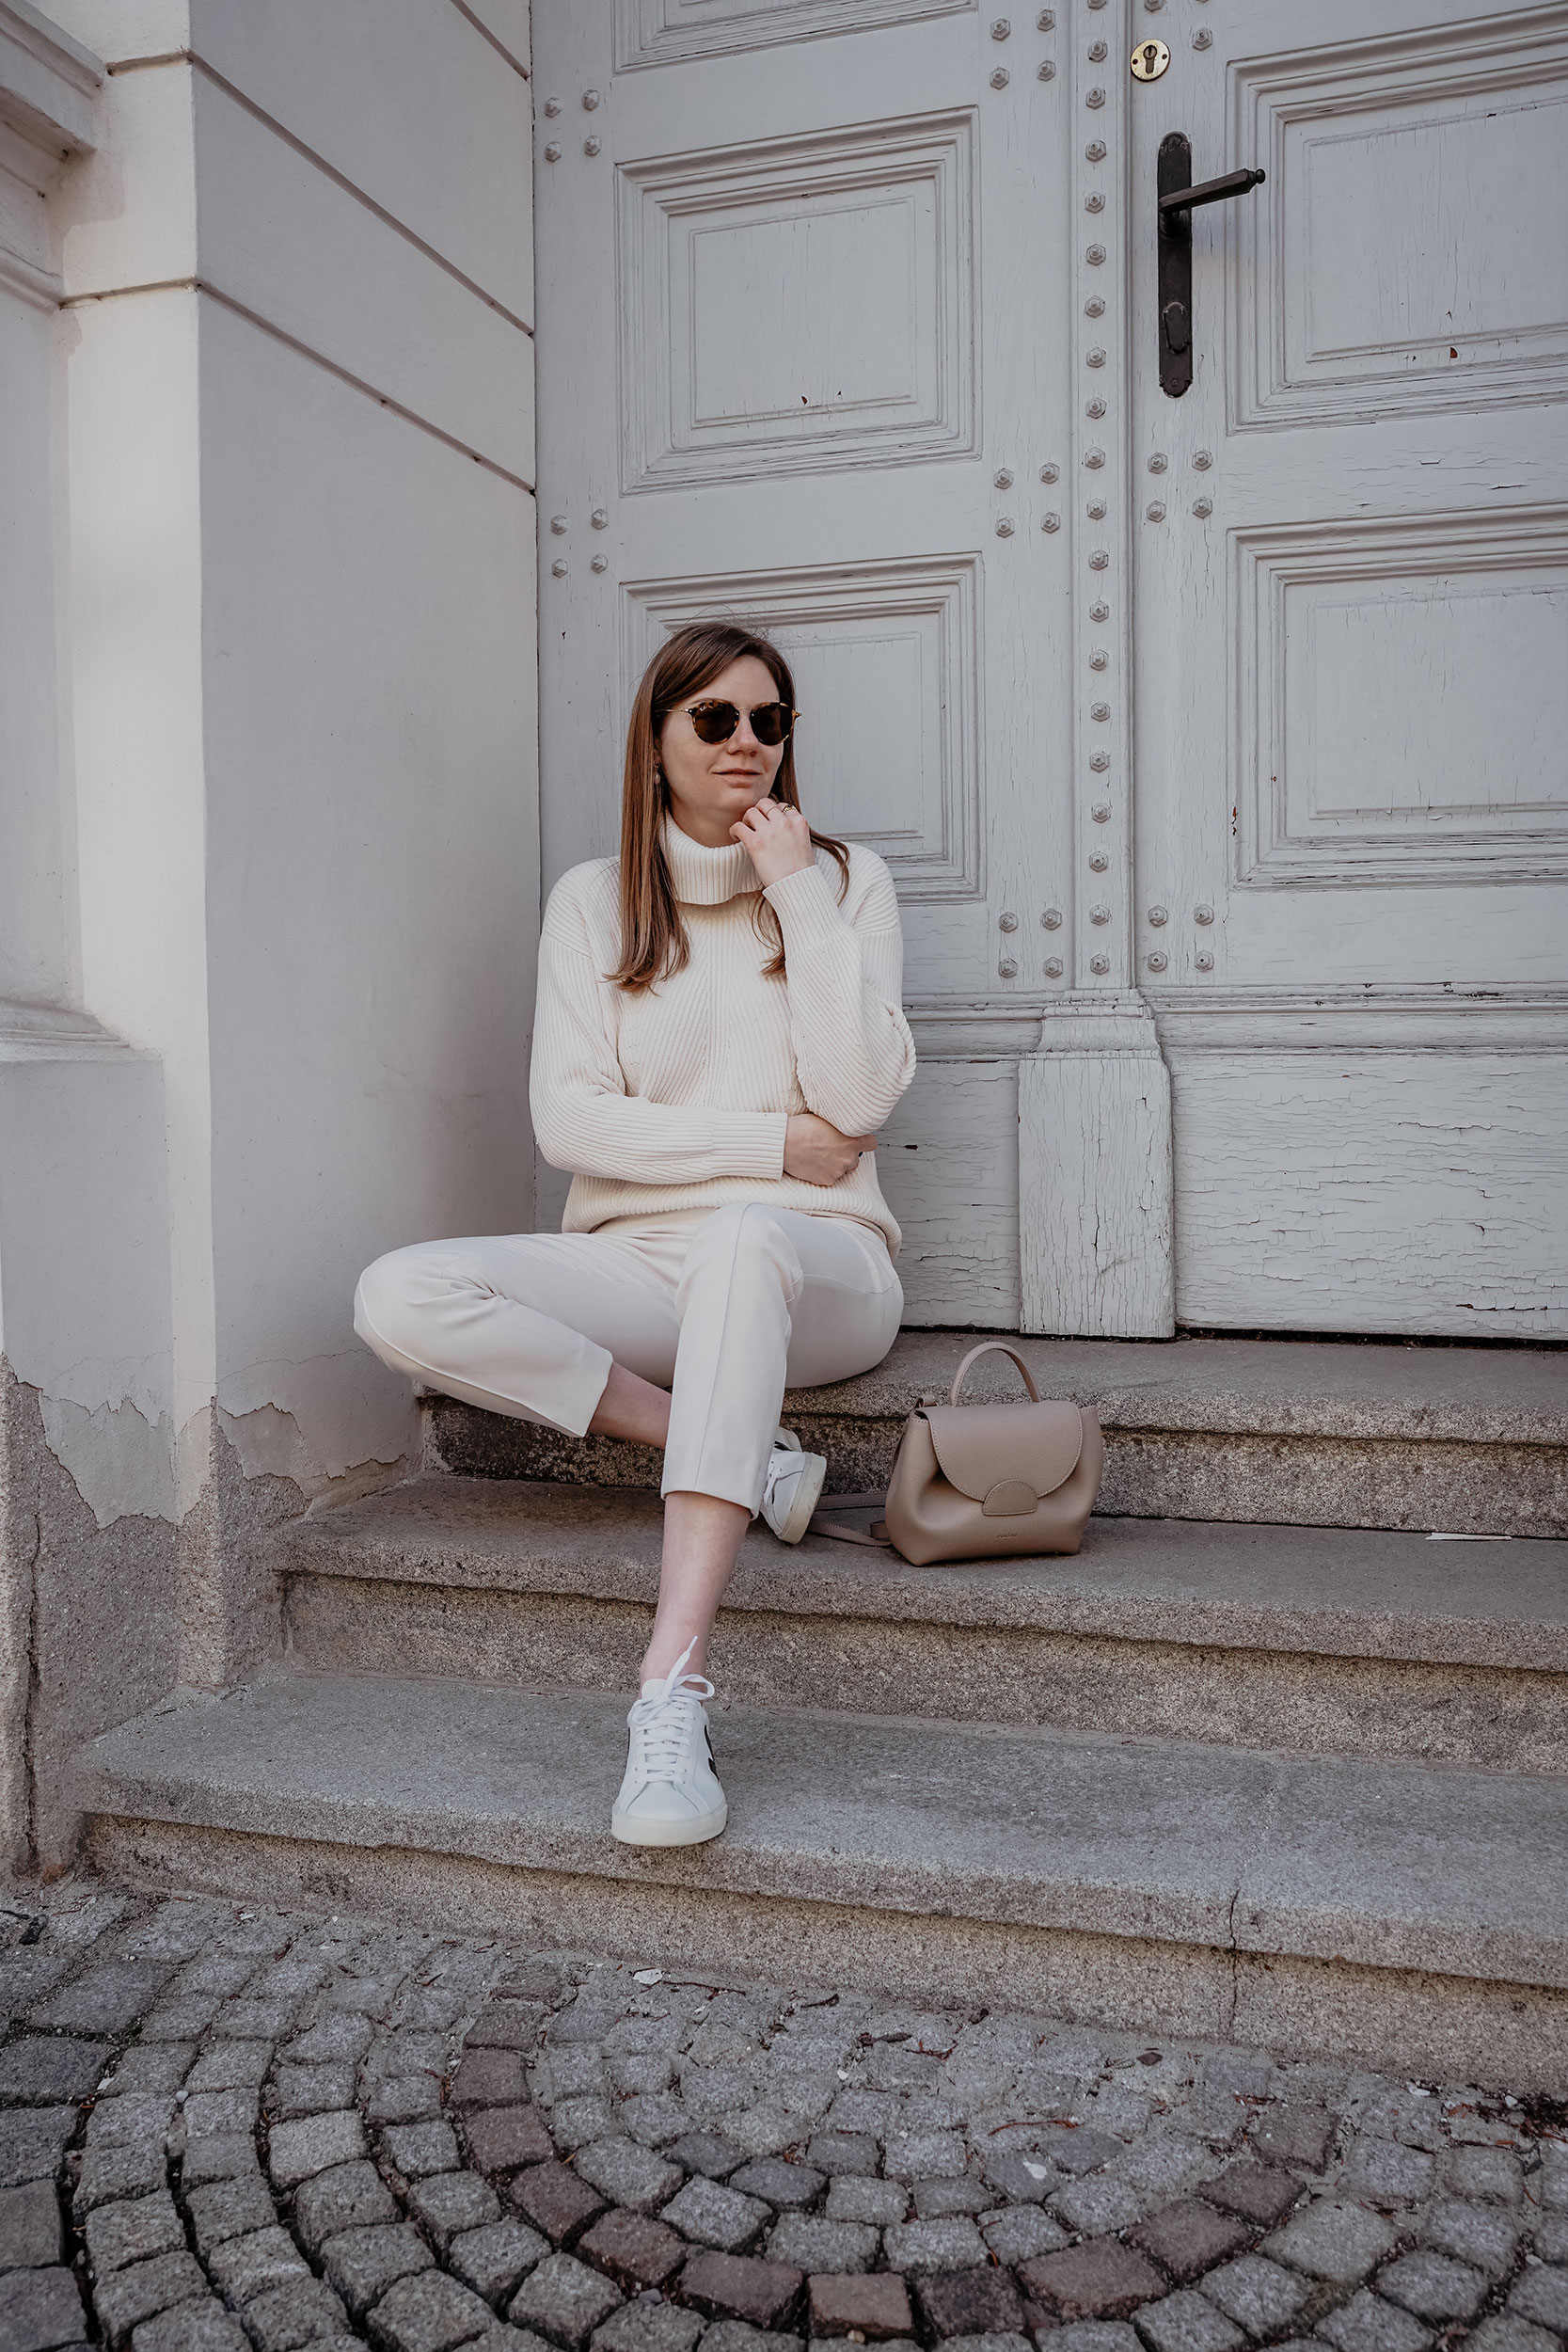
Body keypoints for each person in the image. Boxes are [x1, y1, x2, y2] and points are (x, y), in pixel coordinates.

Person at [353, 620, 915, 1849]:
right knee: (400, 1294)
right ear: (656, 743)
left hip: (821, 1267)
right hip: (648, 1259)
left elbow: (863, 1100)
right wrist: (771, 1144)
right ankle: (749, 1461)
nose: (747, 745)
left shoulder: (844, 880)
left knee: (744, 1241)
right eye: (714, 719)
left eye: (771, 722)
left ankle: (671, 1685)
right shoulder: (594, 904)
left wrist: (797, 895)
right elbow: (572, 1124)